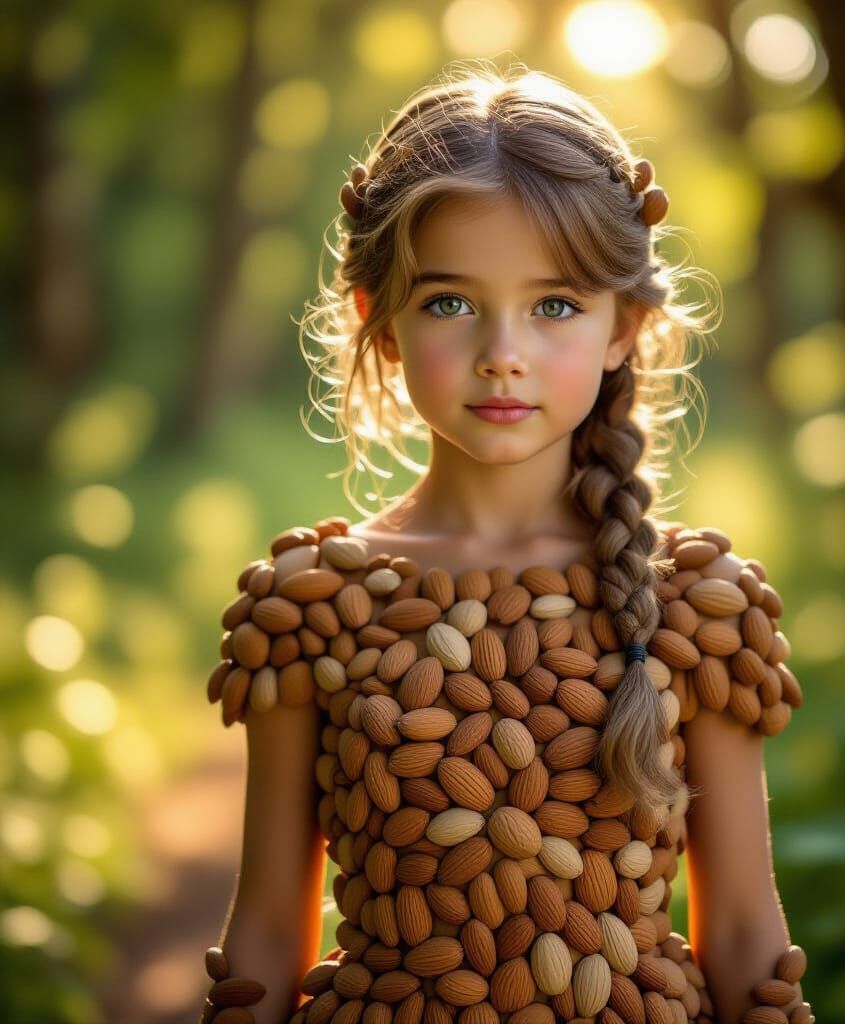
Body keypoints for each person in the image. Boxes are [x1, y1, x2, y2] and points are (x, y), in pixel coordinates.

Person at [198, 60, 813, 1024]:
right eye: (449, 301)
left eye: (555, 305)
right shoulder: (310, 606)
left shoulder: (699, 608)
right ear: (381, 321)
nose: (503, 351)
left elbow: (741, 931)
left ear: (626, 328)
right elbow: (270, 932)